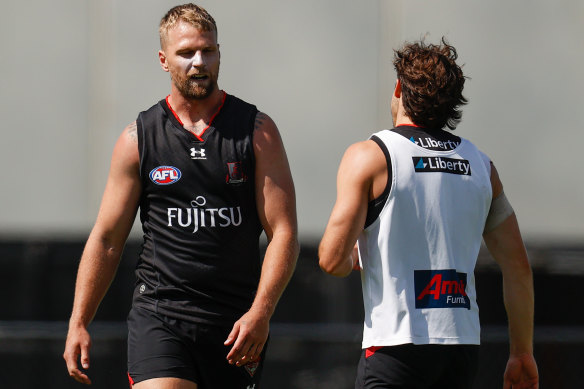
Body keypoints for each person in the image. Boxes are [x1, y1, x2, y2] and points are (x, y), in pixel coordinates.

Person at [63, 3, 299, 388]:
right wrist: (79, 321)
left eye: (208, 50)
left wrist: (262, 312)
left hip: (235, 325)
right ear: (163, 60)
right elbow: (106, 239)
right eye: (186, 52)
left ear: (220, 53)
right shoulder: (138, 139)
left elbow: (283, 233)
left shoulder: (258, 132)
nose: (198, 62)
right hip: (160, 315)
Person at [319, 38, 538, 389]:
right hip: (460, 351)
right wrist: (522, 353)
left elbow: (331, 259)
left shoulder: (371, 156)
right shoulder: (481, 165)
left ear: (398, 89)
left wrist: (353, 258)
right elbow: (518, 267)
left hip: (394, 349)